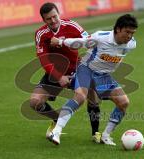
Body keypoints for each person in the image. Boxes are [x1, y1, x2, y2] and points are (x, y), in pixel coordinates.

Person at [48, 14, 138, 146]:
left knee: (124, 102)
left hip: (104, 76)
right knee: (80, 97)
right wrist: (60, 42)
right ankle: (56, 131)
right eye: (127, 32)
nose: (129, 36)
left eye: (132, 33)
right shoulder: (101, 37)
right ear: (118, 29)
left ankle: (106, 136)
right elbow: (81, 42)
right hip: (86, 70)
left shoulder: (131, 44)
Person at [30, 2, 101, 143]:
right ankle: (56, 120)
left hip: (77, 69)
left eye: (54, 16)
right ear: (44, 20)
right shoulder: (41, 34)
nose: (53, 21)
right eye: (48, 19)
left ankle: (96, 133)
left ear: (59, 14)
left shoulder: (72, 26)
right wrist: (59, 76)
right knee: (34, 102)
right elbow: (43, 60)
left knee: (92, 96)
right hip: (55, 72)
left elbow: (90, 42)